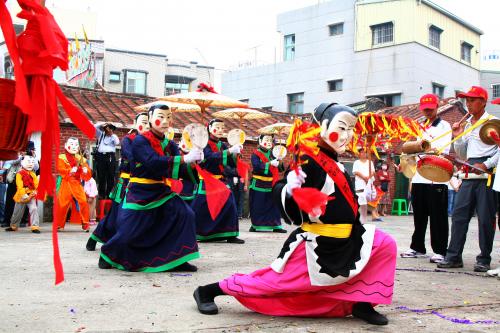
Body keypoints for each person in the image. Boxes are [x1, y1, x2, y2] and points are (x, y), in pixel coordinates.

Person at [193, 103, 397, 326]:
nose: (348, 135)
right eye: (342, 127)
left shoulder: (336, 164)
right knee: (272, 284)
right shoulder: (309, 160)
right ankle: (208, 291)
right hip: (318, 244)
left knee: (384, 244)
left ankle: (361, 302)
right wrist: (290, 191)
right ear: (323, 127)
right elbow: (287, 192)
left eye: (351, 129)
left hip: (347, 238)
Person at [98, 104, 203, 272]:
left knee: (186, 214)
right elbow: (152, 162)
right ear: (151, 117)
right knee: (129, 233)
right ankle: (108, 253)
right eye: (161, 116)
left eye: (168, 117)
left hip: (161, 191)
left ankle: (179, 257)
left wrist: (193, 161)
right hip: (140, 192)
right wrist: (184, 159)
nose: (165, 121)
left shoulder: (170, 144)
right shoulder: (140, 140)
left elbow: (177, 169)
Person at [438, 86, 498, 272]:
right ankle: (454, 256)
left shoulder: (493, 122)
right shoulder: (468, 123)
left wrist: (486, 165)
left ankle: (484, 259)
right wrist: (457, 137)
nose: (469, 104)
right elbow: (463, 153)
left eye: (472, 100)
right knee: (459, 216)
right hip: (469, 172)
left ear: (483, 102)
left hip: (486, 174)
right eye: (467, 101)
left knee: (485, 219)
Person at [400, 94, 452, 263]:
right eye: (425, 109)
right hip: (419, 176)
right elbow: (412, 148)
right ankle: (417, 246)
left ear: (437, 107)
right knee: (419, 215)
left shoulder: (445, 126)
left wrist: (421, 148)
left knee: (438, 215)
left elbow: (441, 150)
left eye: (430, 109)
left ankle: (440, 250)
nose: (428, 112)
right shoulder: (419, 126)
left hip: (436, 174)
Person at [86, 113, 149, 251]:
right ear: (135, 123)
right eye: (142, 122)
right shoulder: (129, 139)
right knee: (116, 214)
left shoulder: (153, 141)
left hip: (146, 184)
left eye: (148, 122)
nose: (146, 125)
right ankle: (96, 237)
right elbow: (131, 157)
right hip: (127, 181)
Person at [191, 119, 245, 244]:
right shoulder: (203, 143)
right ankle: (195, 232)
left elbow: (229, 164)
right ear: (209, 128)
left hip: (220, 180)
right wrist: (229, 152)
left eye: (222, 127)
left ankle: (230, 234)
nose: (221, 130)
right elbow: (209, 159)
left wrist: (236, 153)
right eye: (217, 127)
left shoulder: (222, 145)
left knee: (230, 202)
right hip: (207, 179)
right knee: (201, 206)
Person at [248, 134, 286, 232]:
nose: (269, 142)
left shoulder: (273, 153)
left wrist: (280, 161)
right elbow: (257, 167)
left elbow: (281, 169)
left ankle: (275, 225)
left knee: (273, 205)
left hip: (272, 183)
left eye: (270, 140)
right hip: (259, 183)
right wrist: (269, 164)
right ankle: (256, 225)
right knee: (258, 205)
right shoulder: (255, 154)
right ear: (260, 141)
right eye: (266, 140)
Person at [55, 138, 92, 231]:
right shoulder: (61, 157)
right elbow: (60, 169)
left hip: (76, 183)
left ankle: (85, 223)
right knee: (62, 204)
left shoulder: (80, 158)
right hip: (66, 182)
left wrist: (85, 170)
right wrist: (70, 170)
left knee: (83, 201)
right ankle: (59, 224)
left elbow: (87, 173)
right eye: (72, 144)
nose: (74, 147)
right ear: (66, 144)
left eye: (76, 145)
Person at [5, 155, 40, 233]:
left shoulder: (33, 174)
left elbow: (36, 184)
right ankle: (13, 226)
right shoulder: (19, 174)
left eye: (32, 162)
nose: (30, 164)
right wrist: (24, 194)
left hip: (31, 195)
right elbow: (19, 186)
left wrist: (35, 190)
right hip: (21, 195)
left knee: (34, 209)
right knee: (17, 211)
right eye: (28, 162)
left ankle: (35, 226)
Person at [94, 122, 119, 199]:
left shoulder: (114, 136)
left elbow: (117, 143)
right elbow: (94, 127)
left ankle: (109, 195)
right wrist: (103, 124)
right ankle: (101, 194)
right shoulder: (101, 134)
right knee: (101, 176)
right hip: (101, 156)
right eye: (107, 128)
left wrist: (111, 134)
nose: (108, 130)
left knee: (110, 176)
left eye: (110, 128)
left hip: (110, 157)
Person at [352, 148, 375, 223]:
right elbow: (356, 172)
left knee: (367, 198)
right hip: (360, 183)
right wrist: (364, 177)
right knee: (361, 197)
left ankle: (366, 215)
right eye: (361, 152)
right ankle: (361, 216)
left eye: (365, 152)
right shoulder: (356, 162)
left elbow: (373, 172)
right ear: (359, 154)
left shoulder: (370, 162)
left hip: (368, 183)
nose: (363, 154)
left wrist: (368, 177)